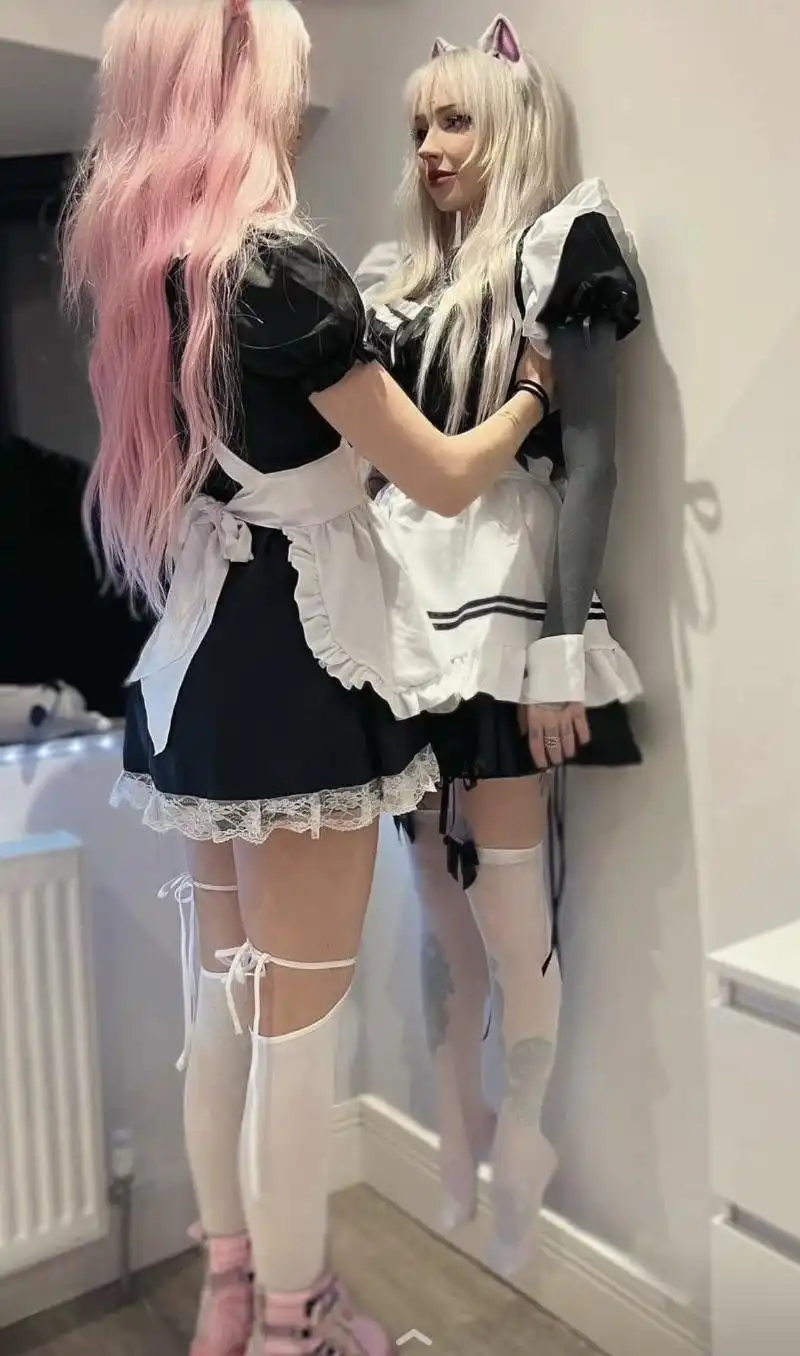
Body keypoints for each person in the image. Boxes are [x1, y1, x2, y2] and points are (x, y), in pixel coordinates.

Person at [60, 3, 554, 1354]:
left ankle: (232, 1294)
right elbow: (438, 477)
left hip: (204, 671)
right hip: (298, 670)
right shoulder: (275, 270)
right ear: (242, 83)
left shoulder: (153, 269)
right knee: (296, 1032)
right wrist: (529, 393)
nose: (301, 91)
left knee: (226, 1003)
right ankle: (295, 1323)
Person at [355, 15, 643, 1277]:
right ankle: (457, 1134)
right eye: (419, 123)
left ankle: (523, 1137)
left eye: (455, 118)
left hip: (507, 608)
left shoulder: (559, 250)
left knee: (513, 904)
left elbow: (594, 463)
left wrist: (564, 649)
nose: (429, 145)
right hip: (399, 614)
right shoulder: (396, 286)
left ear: (512, 125)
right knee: (435, 902)